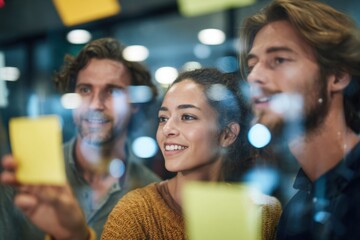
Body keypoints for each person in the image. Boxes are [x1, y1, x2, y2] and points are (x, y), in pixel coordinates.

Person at [1, 37, 160, 239]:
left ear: (134, 103)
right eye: (85, 90)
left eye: (111, 91)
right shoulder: (27, 178)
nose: (95, 104)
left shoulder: (153, 197)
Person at [101, 68, 282, 240]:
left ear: (227, 134)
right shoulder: (136, 213)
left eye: (187, 117)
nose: (167, 129)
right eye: (163, 118)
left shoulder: (265, 213)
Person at [239, 0, 360, 239]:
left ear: (337, 75)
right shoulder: (297, 205)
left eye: (279, 60)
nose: (254, 77)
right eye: (252, 65)